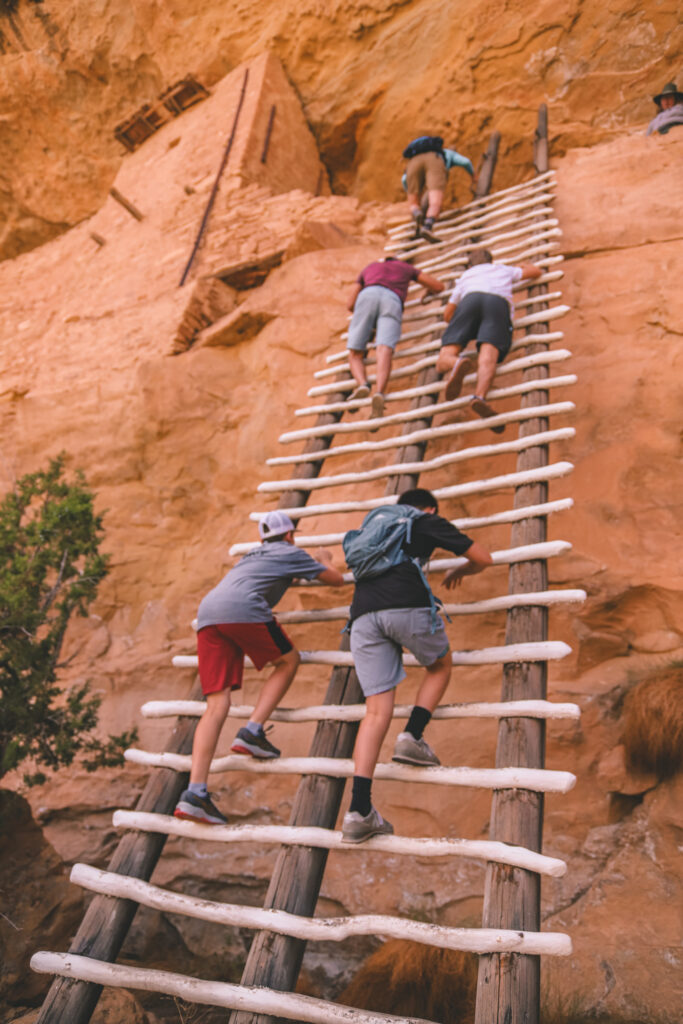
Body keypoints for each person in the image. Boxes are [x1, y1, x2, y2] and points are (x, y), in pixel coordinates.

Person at [341, 488, 493, 843]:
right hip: (405, 604)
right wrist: (463, 568)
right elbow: (484, 557)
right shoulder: (424, 520)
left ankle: (358, 811)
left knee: (375, 712)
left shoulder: (374, 526)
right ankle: (412, 736)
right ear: (430, 507)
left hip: (362, 618)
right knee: (440, 667)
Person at [174, 510, 345, 825]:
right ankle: (252, 732)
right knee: (289, 660)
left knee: (215, 704)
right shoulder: (292, 552)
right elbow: (336, 580)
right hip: (242, 607)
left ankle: (195, 792)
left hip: (209, 613)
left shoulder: (252, 555)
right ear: (290, 535)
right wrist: (324, 558)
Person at [435, 248, 542, 431]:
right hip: (497, 304)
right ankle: (480, 397)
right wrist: (522, 265)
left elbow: (447, 315)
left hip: (470, 300)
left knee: (444, 357)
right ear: (490, 261)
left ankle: (455, 362)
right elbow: (535, 272)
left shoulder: (465, 277)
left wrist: (466, 327)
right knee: (488, 355)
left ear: (470, 265)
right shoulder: (502, 269)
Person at [346, 256, 445, 420]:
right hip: (392, 299)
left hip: (367, 295)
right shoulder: (406, 268)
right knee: (384, 348)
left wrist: (366, 319)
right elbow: (438, 286)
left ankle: (362, 384)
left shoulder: (369, 267)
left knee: (355, 353)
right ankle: (379, 392)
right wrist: (429, 291)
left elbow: (350, 304)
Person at [402, 135, 475, 241]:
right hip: (434, 161)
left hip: (413, 164)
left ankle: (417, 213)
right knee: (435, 202)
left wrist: (409, 191)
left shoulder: (415, 156)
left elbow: (404, 180)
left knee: (413, 203)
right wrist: (473, 175)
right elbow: (465, 162)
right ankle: (427, 227)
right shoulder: (446, 153)